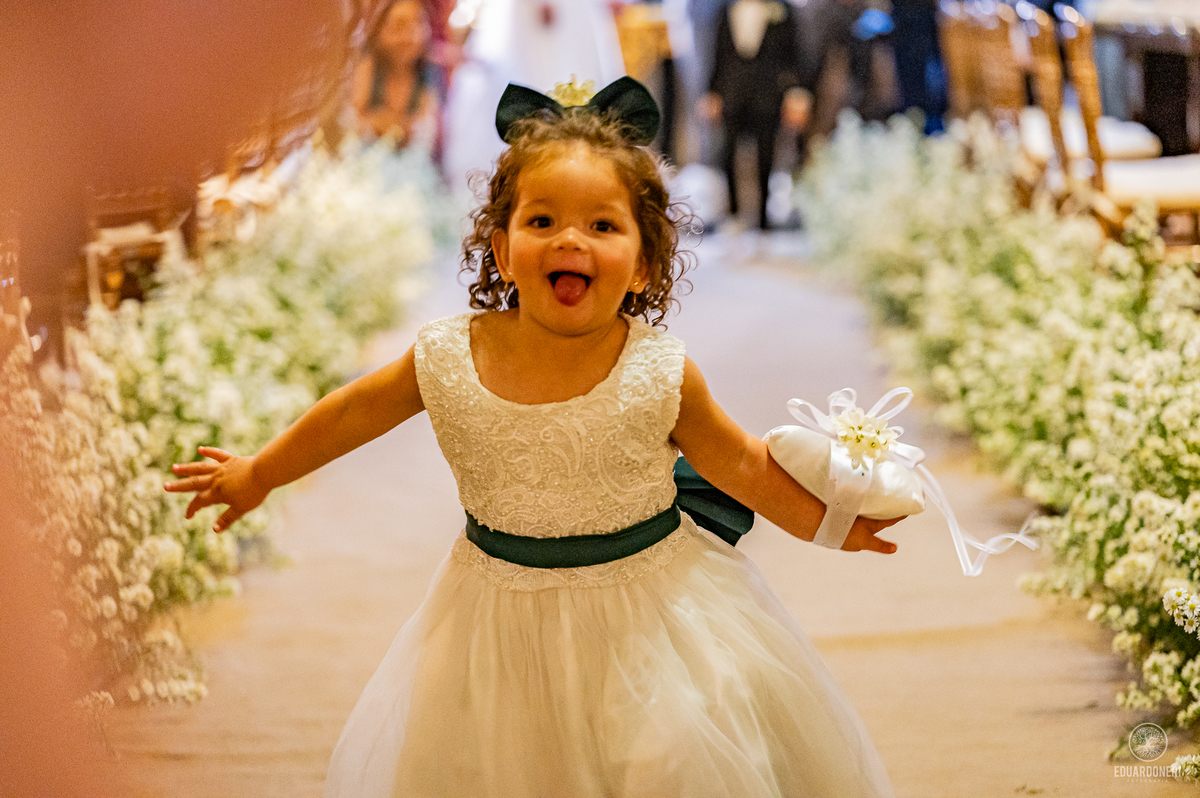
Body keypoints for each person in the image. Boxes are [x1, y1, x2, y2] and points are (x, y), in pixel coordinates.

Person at [165, 77, 899, 797]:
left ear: (643, 263)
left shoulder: (661, 371)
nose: (570, 239)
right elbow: (351, 412)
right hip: (495, 621)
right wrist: (260, 472)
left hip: (654, 617)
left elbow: (741, 464)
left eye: (602, 226)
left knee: (669, 760)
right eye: (542, 221)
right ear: (502, 247)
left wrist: (831, 520)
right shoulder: (449, 355)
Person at [698, 0, 811, 230]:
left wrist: (796, 92)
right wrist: (711, 92)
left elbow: (794, 54)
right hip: (732, 94)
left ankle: (763, 220)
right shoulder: (726, 9)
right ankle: (733, 214)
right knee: (727, 153)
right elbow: (718, 54)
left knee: (766, 154)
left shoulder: (782, 9)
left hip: (768, 95)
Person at [351, 0, 437, 148]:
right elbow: (346, 125)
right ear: (379, 29)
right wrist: (377, 124)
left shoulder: (428, 76)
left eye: (418, 24)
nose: (410, 37)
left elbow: (428, 137)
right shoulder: (365, 68)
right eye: (399, 26)